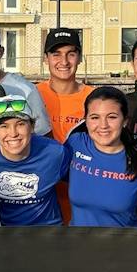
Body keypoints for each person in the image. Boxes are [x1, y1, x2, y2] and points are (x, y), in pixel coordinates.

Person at [0, 95, 69, 227]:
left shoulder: (55, 153)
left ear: (32, 127)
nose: (13, 134)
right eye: (4, 126)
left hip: (45, 231)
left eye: (20, 124)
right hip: (0, 232)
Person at [65, 86, 137, 229]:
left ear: (125, 121)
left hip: (123, 248)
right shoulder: (75, 144)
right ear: (85, 120)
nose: (103, 125)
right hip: (78, 247)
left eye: (112, 117)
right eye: (95, 117)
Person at [36, 27, 92, 223]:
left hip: (81, 196)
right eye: (56, 54)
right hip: (42, 201)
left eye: (71, 54)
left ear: (79, 58)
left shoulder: (94, 99)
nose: (64, 61)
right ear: (46, 58)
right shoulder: (31, 95)